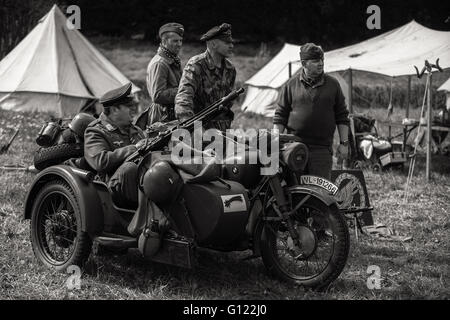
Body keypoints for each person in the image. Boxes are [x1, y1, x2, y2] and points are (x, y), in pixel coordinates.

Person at [273, 43, 350, 180]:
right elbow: (280, 117)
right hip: (295, 147)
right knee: (295, 191)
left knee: (320, 193)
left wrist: (344, 144)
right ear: (304, 63)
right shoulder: (291, 85)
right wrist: (273, 143)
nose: (320, 64)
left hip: (322, 150)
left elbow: (342, 116)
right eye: (315, 61)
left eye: (322, 60)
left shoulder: (333, 85)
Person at [84, 83, 147, 206]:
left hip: (139, 181)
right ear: (114, 110)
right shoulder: (95, 131)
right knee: (130, 168)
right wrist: (134, 148)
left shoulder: (135, 130)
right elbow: (100, 161)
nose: (134, 109)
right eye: (129, 106)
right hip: (110, 189)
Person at [175, 23, 236, 131]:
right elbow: (183, 98)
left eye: (231, 42)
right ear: (213, 44)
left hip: (222, 131)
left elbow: (228, 103)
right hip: (199, 130)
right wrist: (191, 127)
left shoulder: (230, 69)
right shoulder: (196, 65)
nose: (231, 46)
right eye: (227, 42)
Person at [134, 22, 184, 130]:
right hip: (163, 117)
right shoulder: (160, 63)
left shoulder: (173, 60)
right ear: (165, 41)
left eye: (180, 40)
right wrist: (185, 91)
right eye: (175, 41)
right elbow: (157, 95)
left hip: (172, 114)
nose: (179, 44)